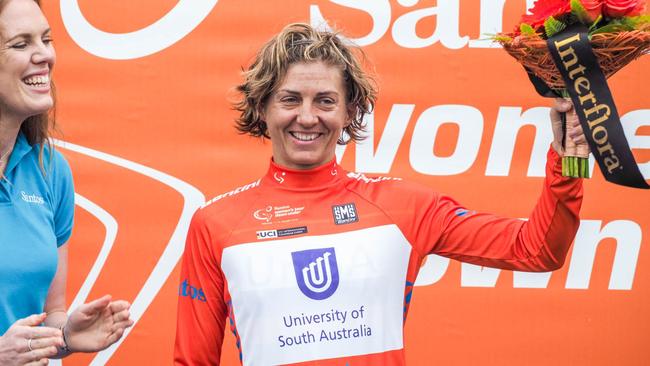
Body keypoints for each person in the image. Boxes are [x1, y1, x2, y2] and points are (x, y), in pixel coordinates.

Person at [174, 23, 585, 365]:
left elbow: (537, 250)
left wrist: (568, 164)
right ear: (262, 107)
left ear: (350, 111)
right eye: (290, 99)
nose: (307, 117)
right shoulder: (215, 224)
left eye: (325, 101)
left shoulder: (403, 206)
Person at [0, 0, 134, 364]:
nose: (45, 55)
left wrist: (66, 335)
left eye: (46, 39)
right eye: (21, 43)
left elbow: (50, 313)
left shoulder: (50, 169)